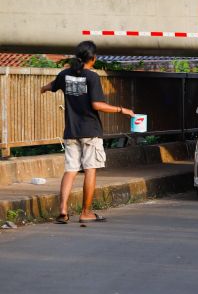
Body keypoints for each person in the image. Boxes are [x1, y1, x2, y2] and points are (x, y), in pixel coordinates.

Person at [40, 41, 136, 224]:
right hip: (90, 131)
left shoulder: (64, 74)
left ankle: (62, 211)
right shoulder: (92, 77)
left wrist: (44, 88)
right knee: (90, 170)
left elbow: (53, 84)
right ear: (92, 59)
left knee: (70, 170)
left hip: (71, 131)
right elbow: (97, 105)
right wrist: (122, 110)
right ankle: (86, 212)